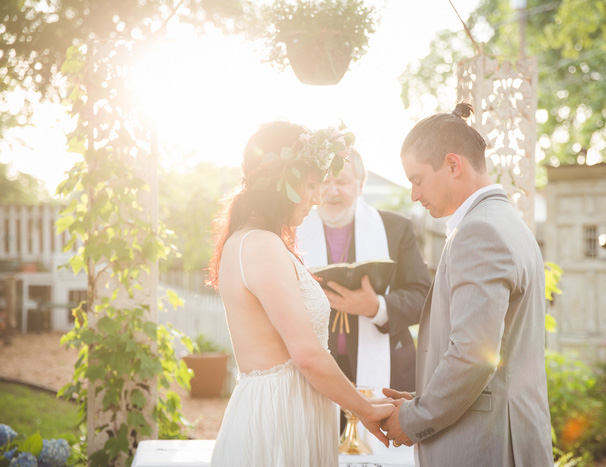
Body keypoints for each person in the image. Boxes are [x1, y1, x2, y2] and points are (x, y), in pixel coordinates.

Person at [207, 121, 393, 466]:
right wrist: (364, 409)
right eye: (311, 184)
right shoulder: (260, 245)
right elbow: (307, 354)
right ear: (284, 183)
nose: (318, 197)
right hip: (279, 419)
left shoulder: (253, 240)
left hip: (288, 409)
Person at [381, 102, 554, 466]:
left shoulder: (480, 232)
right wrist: (419, 399)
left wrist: (413, 419)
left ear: (453, 164)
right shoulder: (506, 221)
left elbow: (474, 356)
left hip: (484, 447)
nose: (414, 194)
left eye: (417, 179)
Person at [295, 149, 431, 396]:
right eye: (325, 181)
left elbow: (423, 297)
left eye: (342, 181)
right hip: (314, 370)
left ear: (361, 184)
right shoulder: (293, 232)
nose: (332, 191)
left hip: (387, 369)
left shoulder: (396, 229)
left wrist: (377, 307)